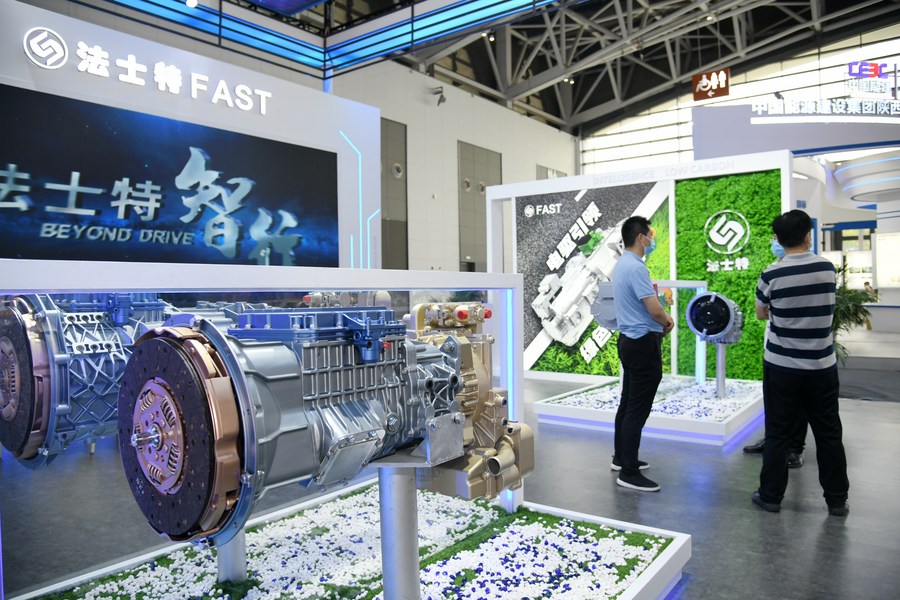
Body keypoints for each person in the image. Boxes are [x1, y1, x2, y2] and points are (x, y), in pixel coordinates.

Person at [751, 210, 850, 516]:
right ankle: (837, 500)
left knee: (778, 432)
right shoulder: (827, 268)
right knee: (828, 433)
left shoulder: (771, 274)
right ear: (808, 236)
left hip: (781, 366)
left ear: (778, 240)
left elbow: (761, 312)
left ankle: (770, 496)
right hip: (821, 366)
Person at [610, 216, 674, 492]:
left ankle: (621, 458)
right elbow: (655, 310)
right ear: (641, 238)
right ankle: (629, 471)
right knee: (637, 409)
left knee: (627, 403)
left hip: (629, 341)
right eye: (650, 236)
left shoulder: (622, 265)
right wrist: (667, 320)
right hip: (642, 344)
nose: (652, 240)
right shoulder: (636, 268)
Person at [742, 235, 808, 469]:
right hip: (774, 344)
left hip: (800, 349)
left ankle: (795, 448)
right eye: (773, 239)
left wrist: (779, 310)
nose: (775, 243)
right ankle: (772, 441)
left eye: (778, 239)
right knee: (773, 400)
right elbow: (761, 311)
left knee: (798, 401)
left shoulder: (810, 269)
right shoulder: (772, 270)